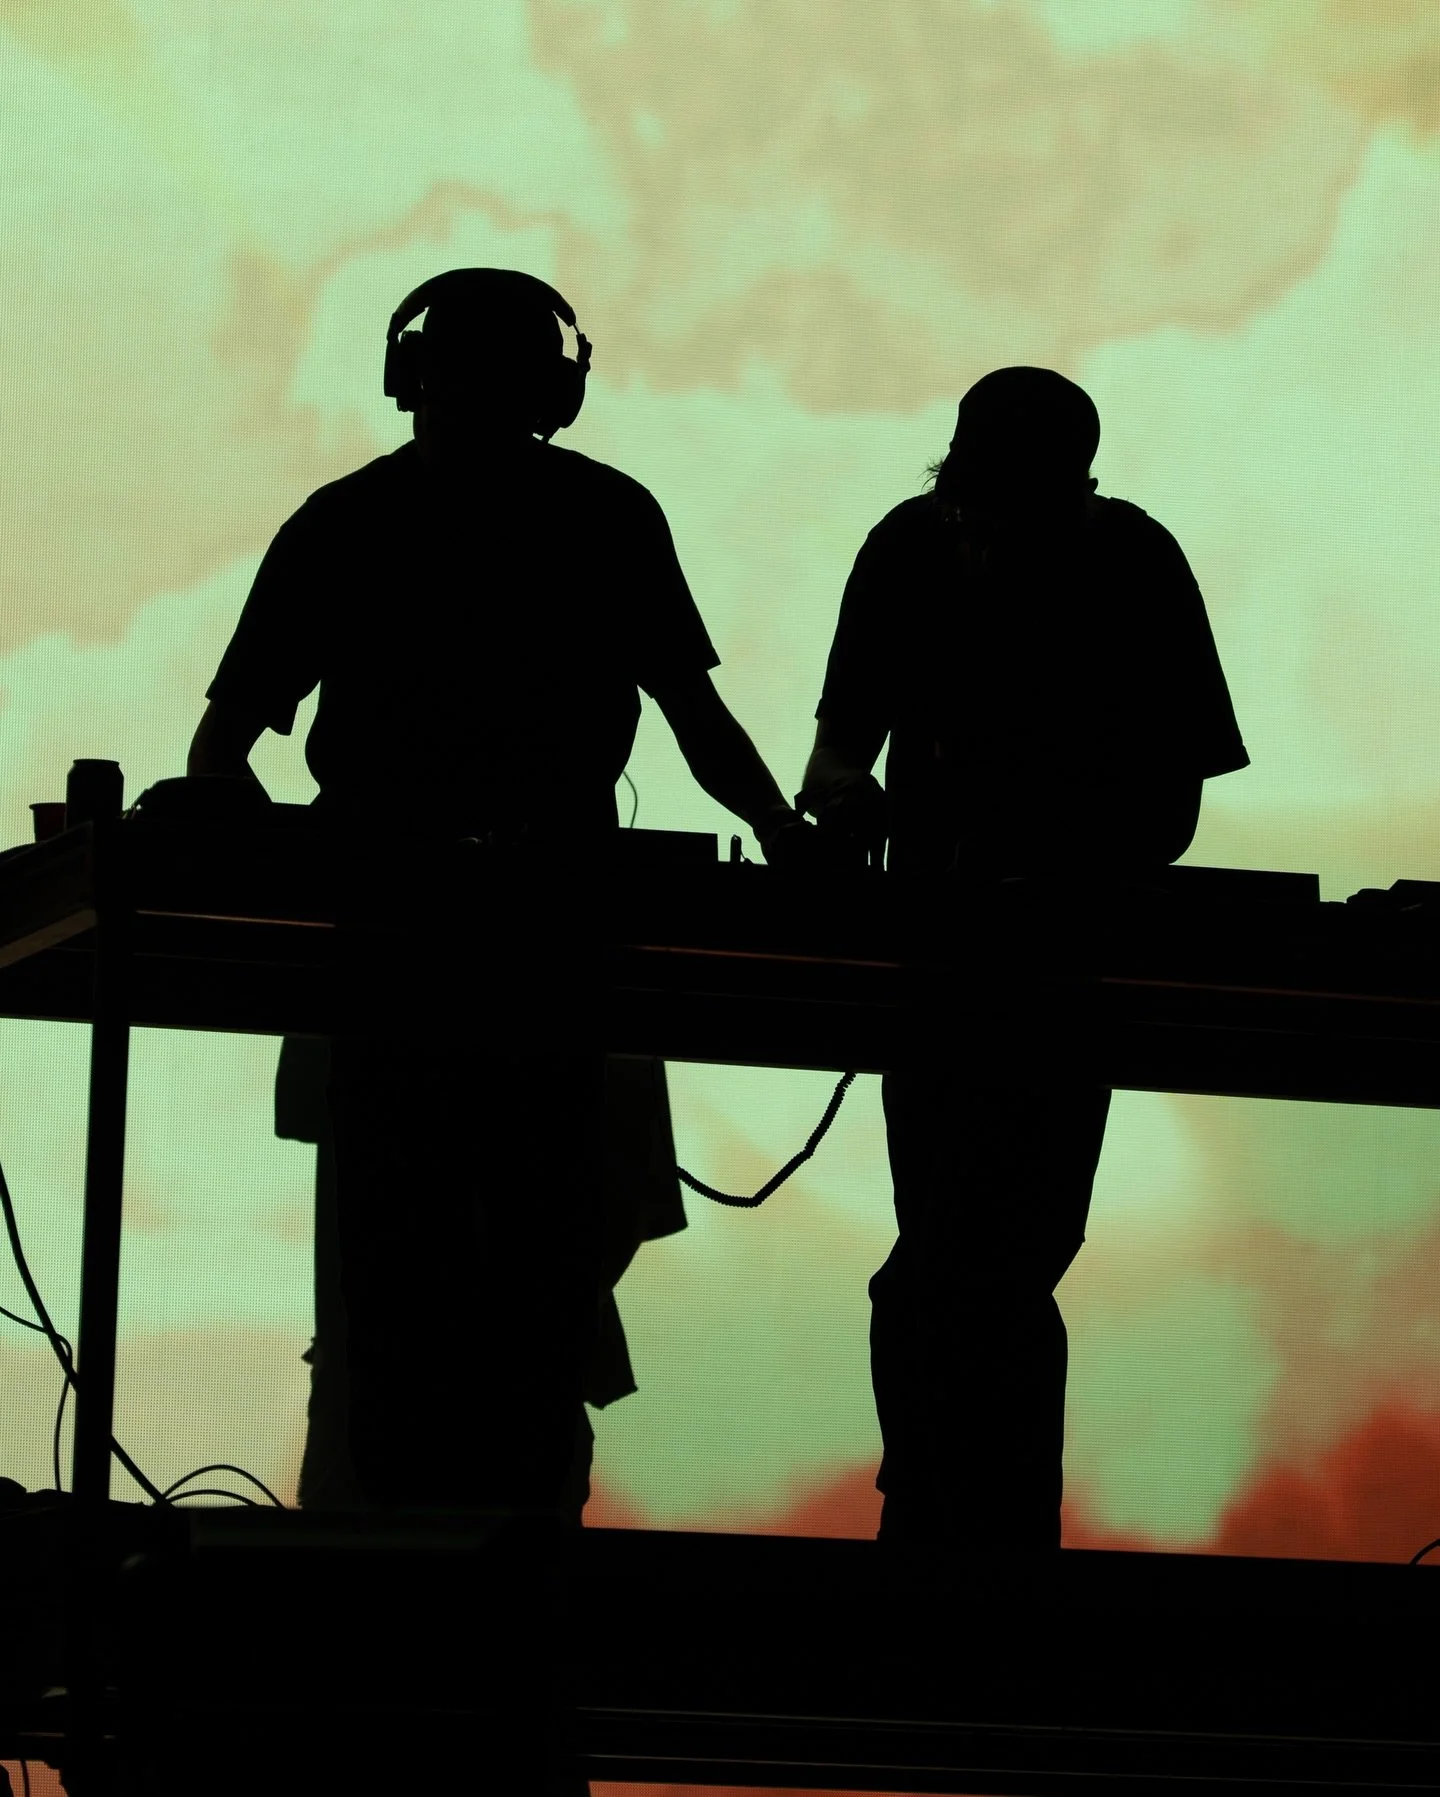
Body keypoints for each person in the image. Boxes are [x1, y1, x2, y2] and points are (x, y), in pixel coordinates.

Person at [189, 266, 807, 1513]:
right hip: (541, 939)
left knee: (405, 1284)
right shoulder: (603, 514)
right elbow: (695, 717)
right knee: (534, 1281)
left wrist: (257, 846)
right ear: (559, 391)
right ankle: (521, 1567)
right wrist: (784, 835)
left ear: (405, 375)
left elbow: (221, 751)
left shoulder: (347, 519)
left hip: (395, 939)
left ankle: (404, 1570)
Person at [799, 366, 1249, 1551]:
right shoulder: (907, 549)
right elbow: (836, 757)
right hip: (944, 955)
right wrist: (844, 810)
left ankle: (950, 1525)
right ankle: (980, 1532)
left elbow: (1171, 809)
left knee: (981, 1263)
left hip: (1060, 963)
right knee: (971, 1263)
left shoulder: (1133, 563)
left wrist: (1059, 872)